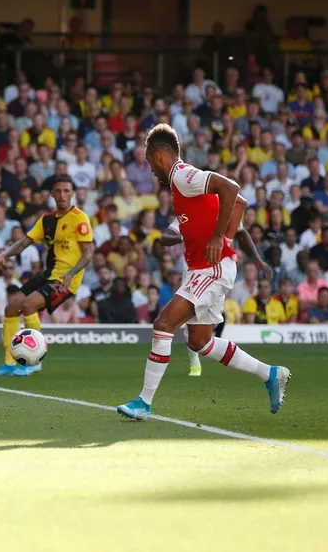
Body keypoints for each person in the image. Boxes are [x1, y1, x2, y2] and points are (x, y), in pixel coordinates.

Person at [117, 125, 290, 420]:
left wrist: (217, 237)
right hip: (206, 268)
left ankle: (144, 403)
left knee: (162, 324)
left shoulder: (182, 175)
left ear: (159, 156)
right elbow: (240, 203)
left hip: (210, 269)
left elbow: (232, 188)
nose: (150, 170)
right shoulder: (180, 185)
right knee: (199, 341)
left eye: (149, 162)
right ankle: (270, 374)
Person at [0, 176, 94, 377]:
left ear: (72, 193)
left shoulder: (80, 218)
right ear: (52, 194)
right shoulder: (46, 220)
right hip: (48, 274)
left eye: (66, 191)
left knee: (28, 305)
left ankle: (35, 361)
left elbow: (89, 253)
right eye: (58, 191)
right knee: (11, 308)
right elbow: (23, 243)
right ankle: (10, 364)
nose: (62, 195)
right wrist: (3, 254)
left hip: (66, 280)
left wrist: (71, 273)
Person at [159, 212, 271, 376]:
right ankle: (194, 362)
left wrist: (257, 259)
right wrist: (188, 234)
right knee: (176, 325)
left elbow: (241, 232)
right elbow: (165, 238)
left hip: (218, 275)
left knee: (204, 334)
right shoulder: (187, 212)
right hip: (195, 275)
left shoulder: (222, 209)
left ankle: (267, 372)